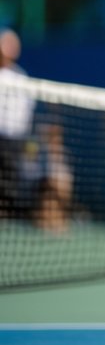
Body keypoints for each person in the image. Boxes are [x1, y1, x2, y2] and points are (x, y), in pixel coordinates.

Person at [0, 28, 36, 221]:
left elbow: (26, 112)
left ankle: (6, 216)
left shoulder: (20, 78)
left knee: (9, 180)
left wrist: (25, 139)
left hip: (14, 139)